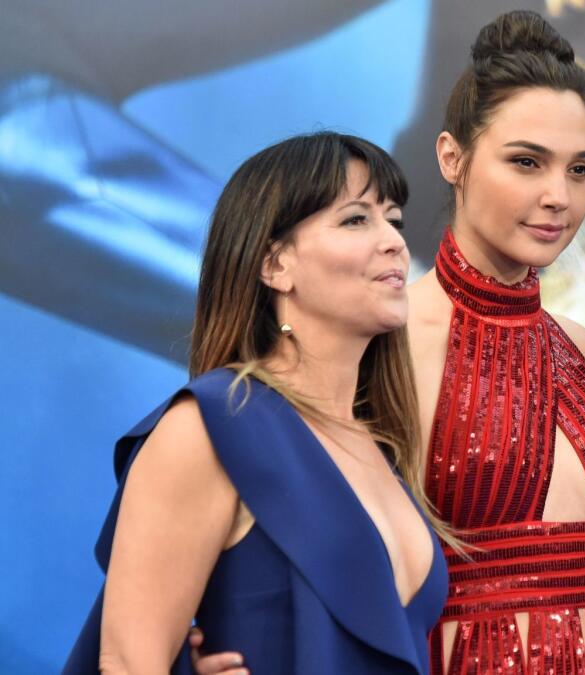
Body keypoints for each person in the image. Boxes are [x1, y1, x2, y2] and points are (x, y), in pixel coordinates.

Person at [191, 10, 585, 675]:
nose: (558, 196)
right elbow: (261, 533)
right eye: (525, 161)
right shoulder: (378, 341)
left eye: (580, 169)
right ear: (451, 156)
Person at [63, 132, 449, 674]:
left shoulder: (380, 446)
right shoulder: (213, 424)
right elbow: (128, 661)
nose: (393, 242)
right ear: (275, 265)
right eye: (357, 219)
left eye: (395, 220)